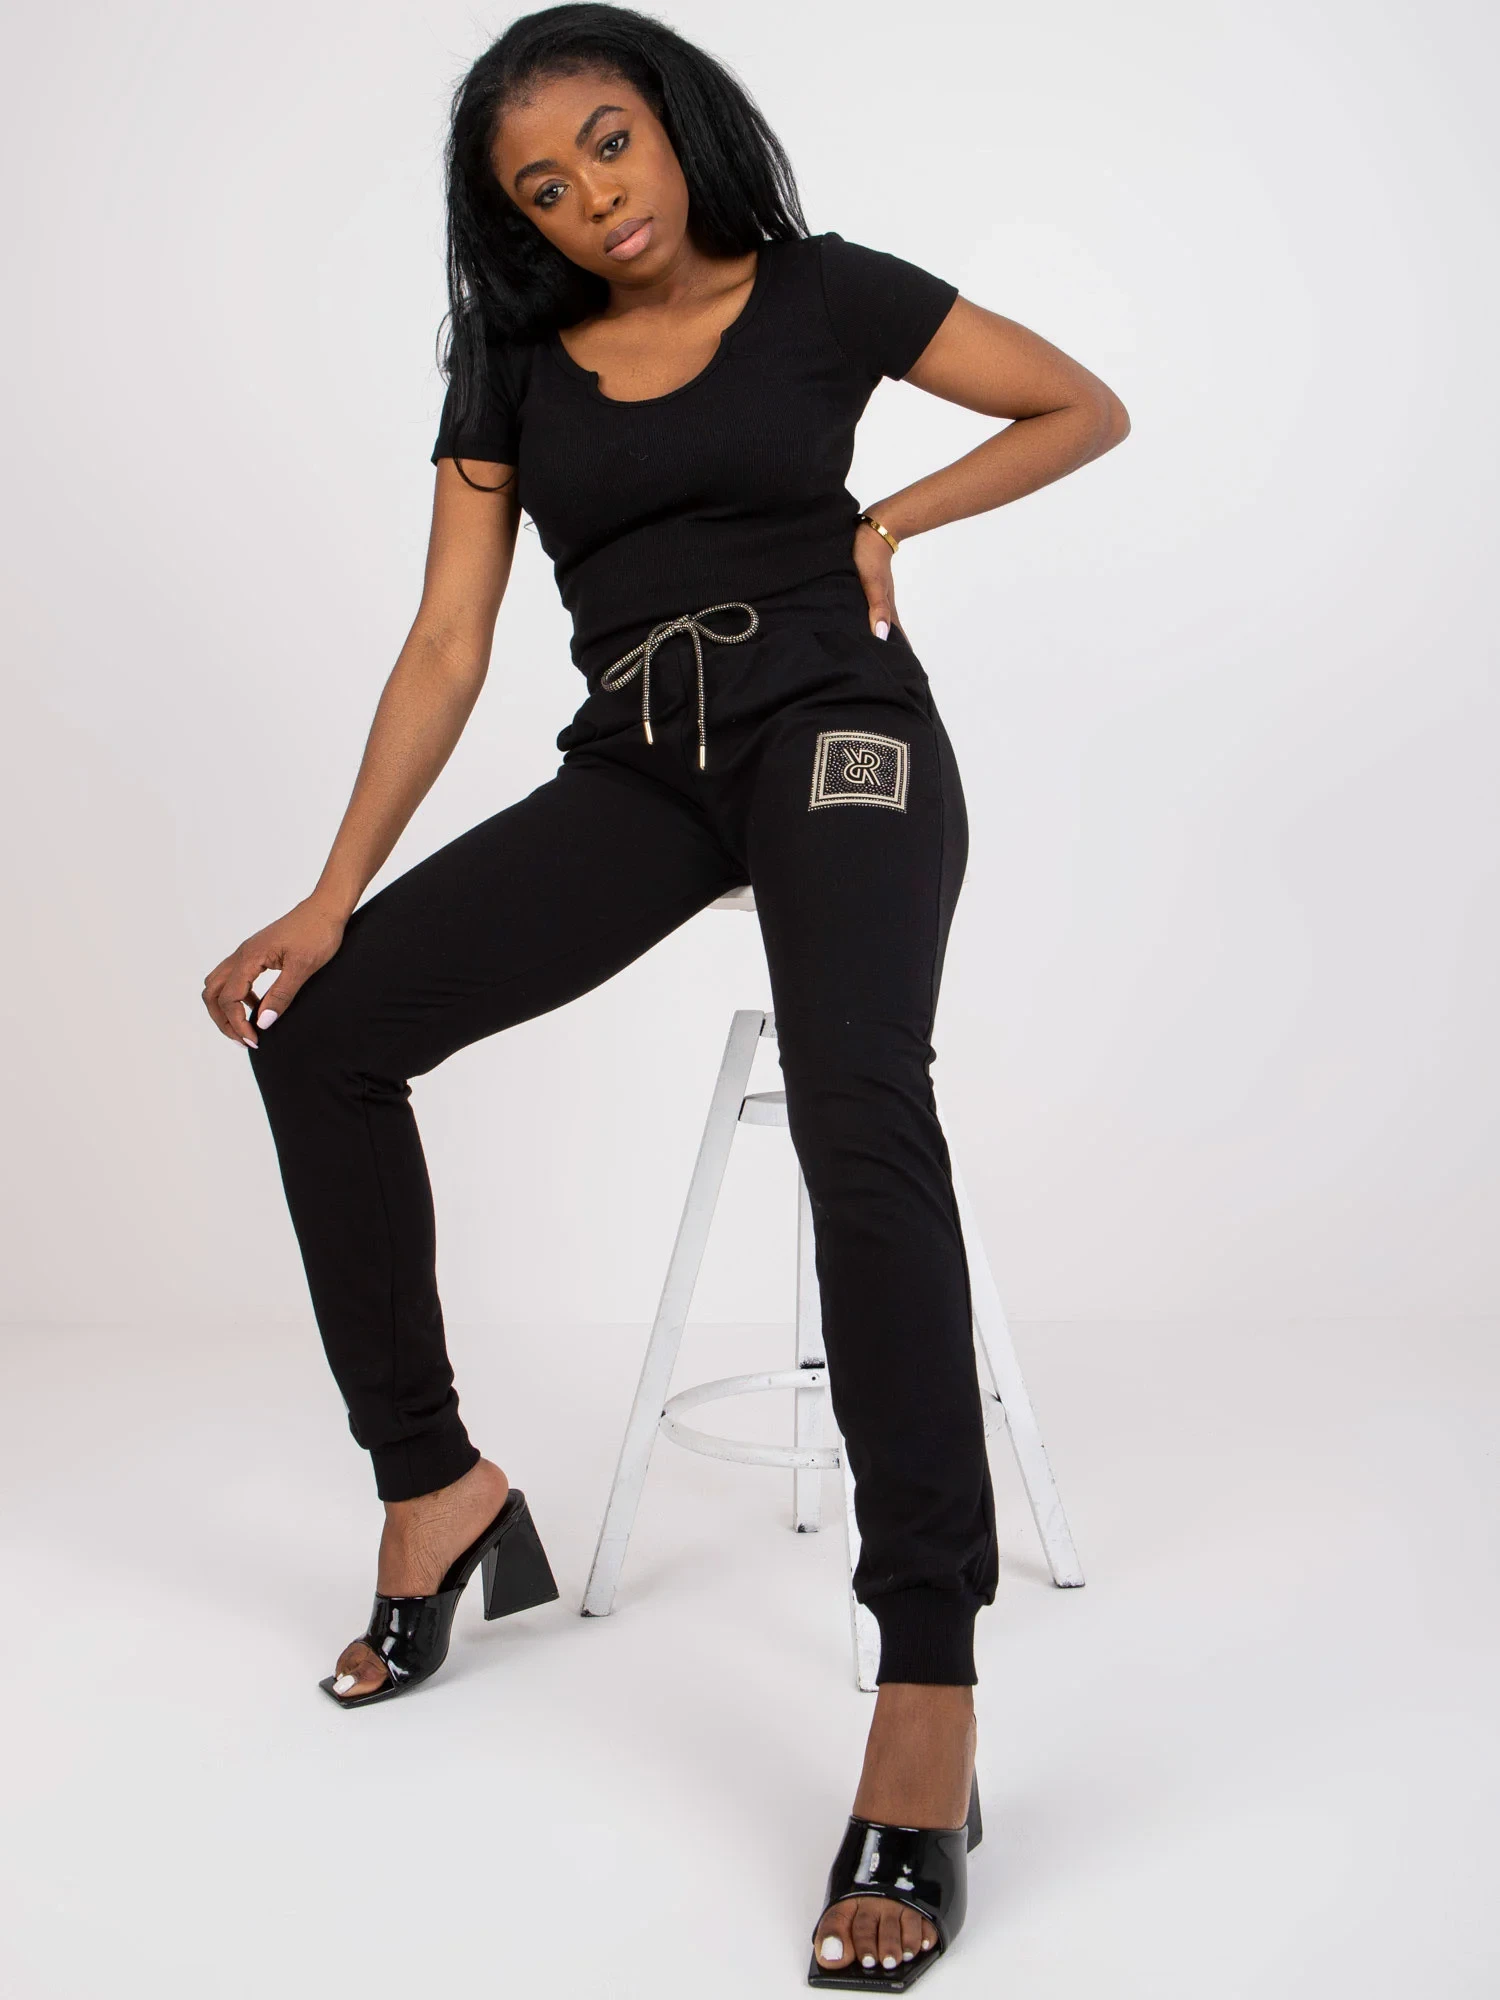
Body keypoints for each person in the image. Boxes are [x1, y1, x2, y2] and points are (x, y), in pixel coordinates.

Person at [200, 4, 1129, 1984]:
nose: (592, 200)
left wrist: (894, 519)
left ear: (679, 122)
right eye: (542, 186)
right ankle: (437, 1492)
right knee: (328, 1037)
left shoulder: (827, 291)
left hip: (841, 727)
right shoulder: (511, 360)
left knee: (861, 1103)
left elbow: (1078, 405)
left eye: (610, 144)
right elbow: (448, 639)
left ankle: (927, 1683)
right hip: (645, 759)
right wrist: (333, 892)